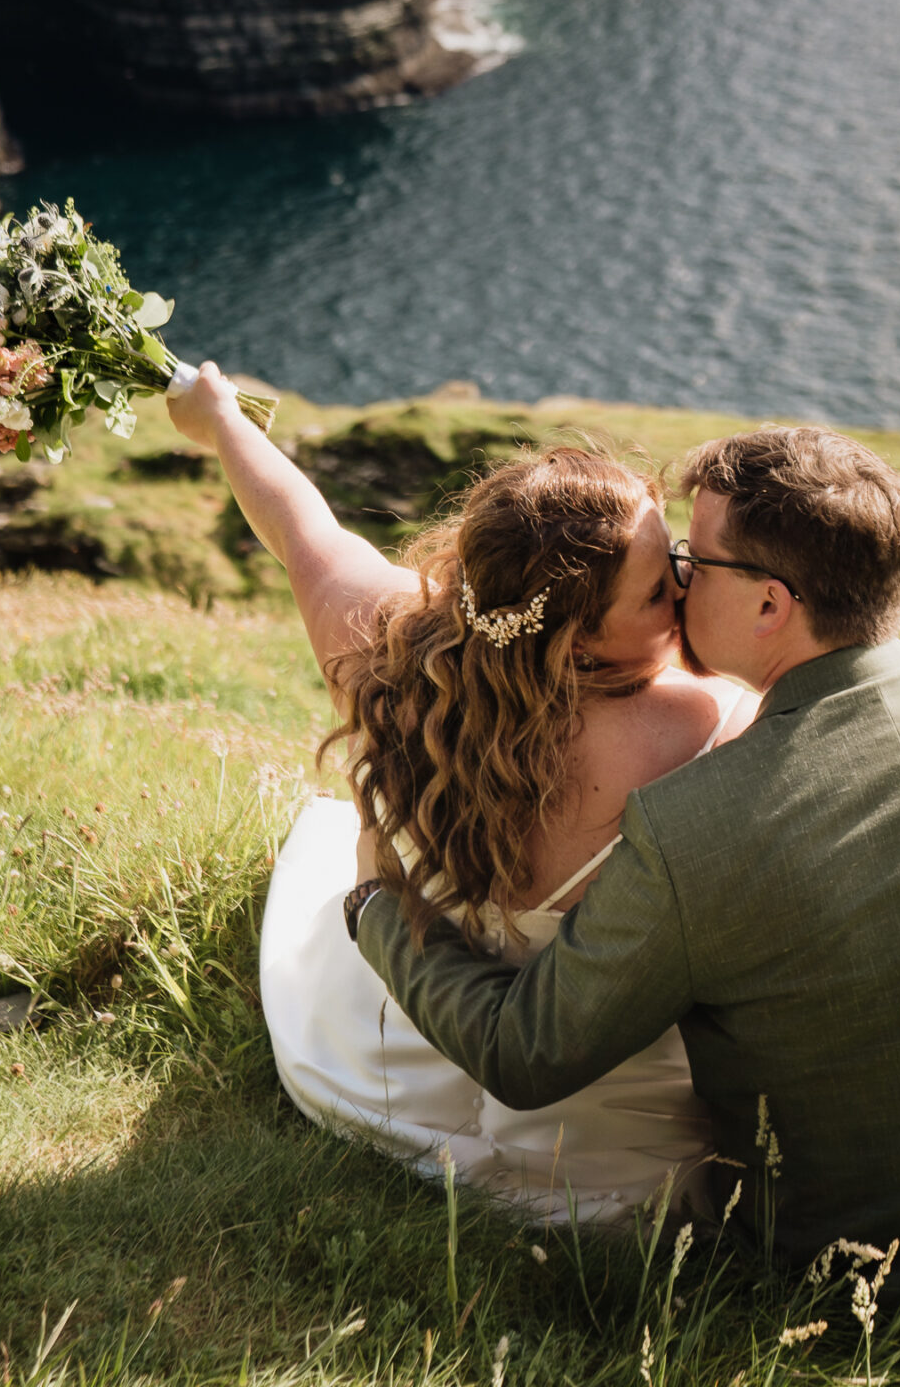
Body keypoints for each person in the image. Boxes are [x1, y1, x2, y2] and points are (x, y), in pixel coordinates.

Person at [353, 423, 900, 1387]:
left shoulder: (696, 825)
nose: (677, 583)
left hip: (874, 1320)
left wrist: (372, 911)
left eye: (693, 561)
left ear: (769, 602)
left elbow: (527, 1053)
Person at [166, 362, 753, 1223]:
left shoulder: (396, 658)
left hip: (387, 1088)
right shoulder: (716, 725)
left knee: (339, 848)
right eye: (659, 586)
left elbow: (298, 526)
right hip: (612, 1174)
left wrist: (219, 419)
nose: (683, 585)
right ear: (578, 635)